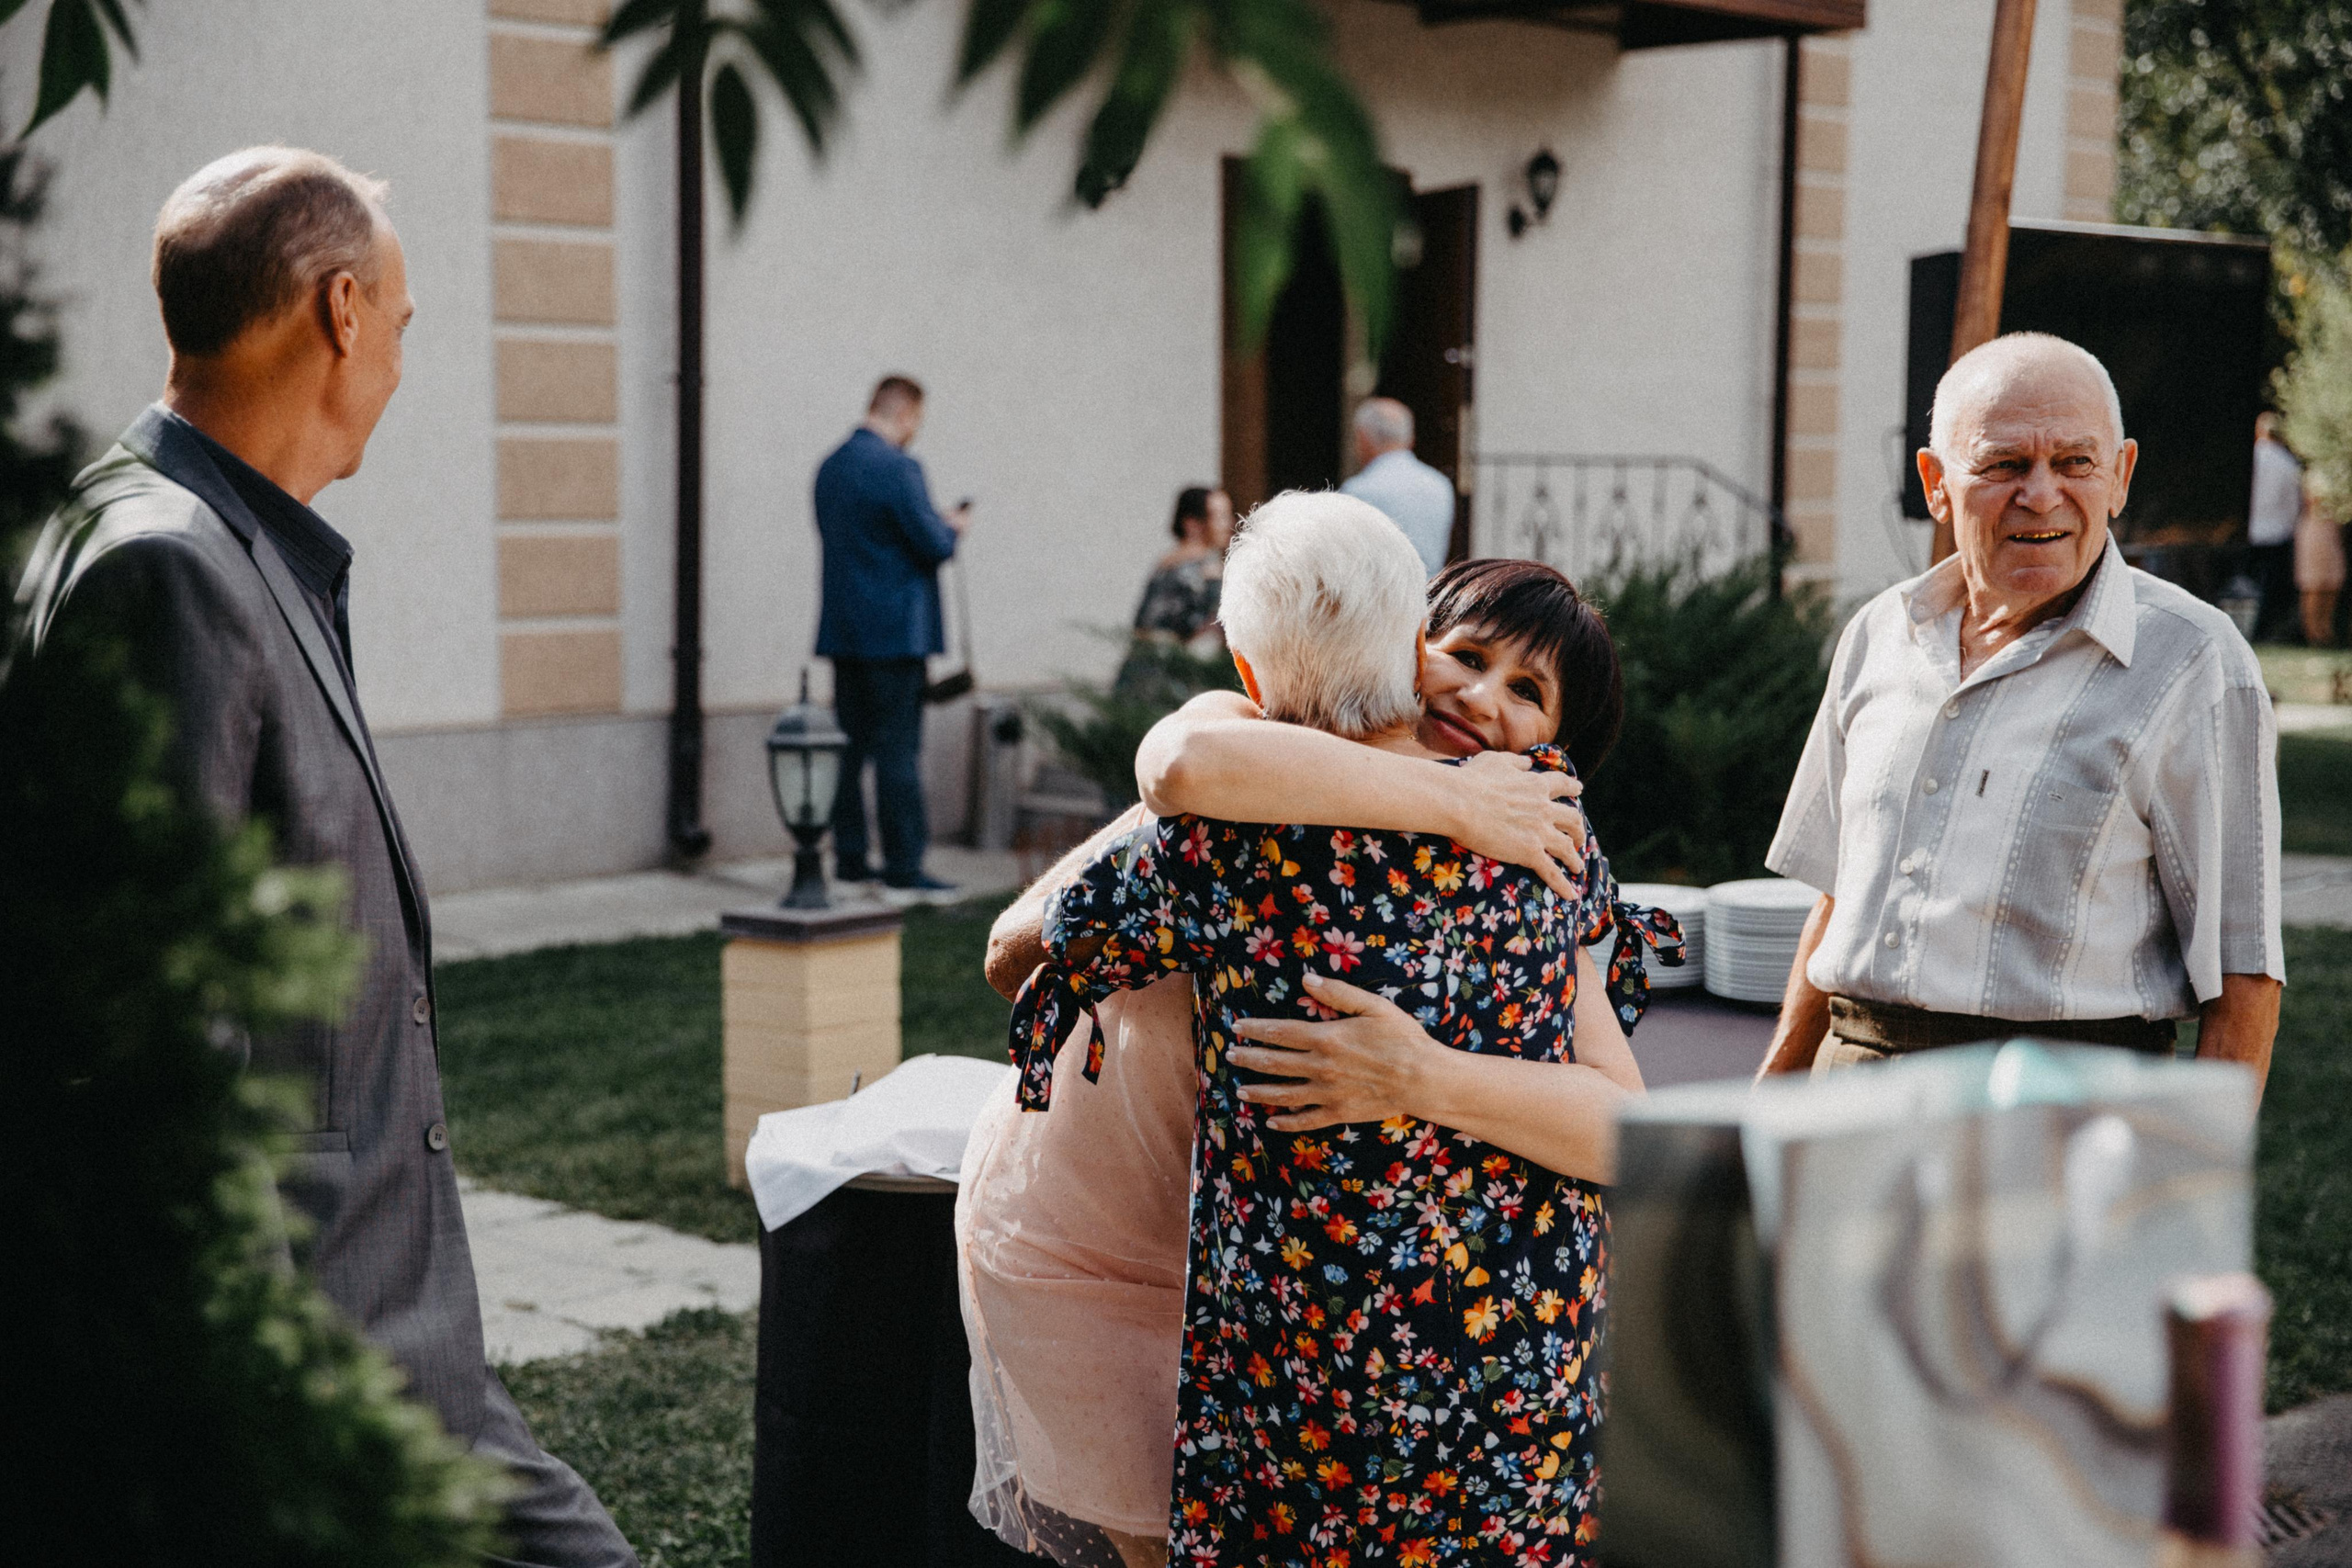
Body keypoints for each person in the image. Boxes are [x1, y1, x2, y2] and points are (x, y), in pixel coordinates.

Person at [6, 149, 637, 1564]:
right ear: (341, 311)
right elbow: (149, 1057)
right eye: (402, 322)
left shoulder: (213, 541)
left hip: (403, 1350)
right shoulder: (162, 563)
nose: (404, 361)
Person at [1004, 500, 1679, 1566]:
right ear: (1407, 640)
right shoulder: (1247, 790)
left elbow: (1622, 1130)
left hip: (1495, 1369)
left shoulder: (1539, 841)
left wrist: (1420, 1074)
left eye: (1528, 692)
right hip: (1309, 1370)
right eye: (1467, 657)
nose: (1481, 698)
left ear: (1559, 745)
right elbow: (1034, 931)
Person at [1758, 333, 2284, 1091]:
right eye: (2004, 464)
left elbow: (2245, 974)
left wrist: (2190, 1161)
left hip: (2066, 1111)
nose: (2041, 494)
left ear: (2120, 475)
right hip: (1853, 1090)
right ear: (1936, 483)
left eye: (2075, 462)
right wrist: (1768, 1100)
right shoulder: (1880, 635)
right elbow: (1840, 899)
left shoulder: (2194, 660)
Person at [813, 375, 972, 901]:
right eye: (915, 422)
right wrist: (952, 527)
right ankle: (903, 868)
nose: (914, 432)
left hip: (844, 631)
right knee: (898, 753)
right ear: (904, 414)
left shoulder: (830, 467)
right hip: (898, 636)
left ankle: (851, 861)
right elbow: (931, 543)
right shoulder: (900, 468)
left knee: (849, 750)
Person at [1114, 486, 1233, 703]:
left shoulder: (1166, 564)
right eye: (1220, 516)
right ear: (1192, 524)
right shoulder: (1206, 572)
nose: (1229, 524)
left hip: (1137, 673)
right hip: (1171, 681)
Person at [1340, 398, 1456, 579]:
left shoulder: (1359, 490)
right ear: (1411, 438)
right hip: (1432, 590)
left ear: (1363, 438)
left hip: (1381, 594)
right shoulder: (1440, 484)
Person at [2247, 412, 2305, 642]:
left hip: (2251, 532)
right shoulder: (2288, 463)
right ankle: (2263, 631)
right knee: (2270, 587)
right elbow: (2293, 504)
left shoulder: (2254, 457)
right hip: (2277, 533)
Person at [2296, 483, 2344, 649]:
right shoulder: (2316, 479)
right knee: (2314, 584)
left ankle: (2326, 631)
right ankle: (2313, 633)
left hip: (2332, 532)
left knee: (2333, 581)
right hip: (2316, 530)